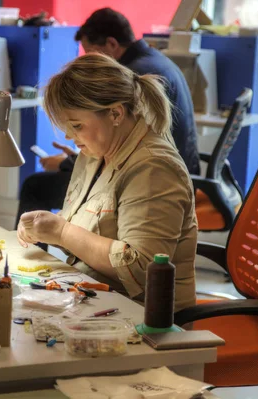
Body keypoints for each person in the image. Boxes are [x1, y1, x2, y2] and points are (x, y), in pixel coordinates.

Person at [17, 53, 197, 312]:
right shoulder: (96, 153)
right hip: (98, 297)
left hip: (146, 319)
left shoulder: (154, 168)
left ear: (115, 114)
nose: (69, 136)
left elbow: (141, 268)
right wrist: (45, 229)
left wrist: (62, 232)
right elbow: (90, 233)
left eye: (77, 125)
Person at [16, 7, 199, 227]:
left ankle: (30, 253)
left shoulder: (131, 78)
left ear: (111, 44)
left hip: (152, 179)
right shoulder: (154, 60)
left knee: (35, 187)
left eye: (93, 54)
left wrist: (68, 163)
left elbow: (130, 146)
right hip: (176, 167)